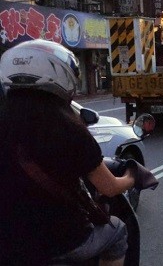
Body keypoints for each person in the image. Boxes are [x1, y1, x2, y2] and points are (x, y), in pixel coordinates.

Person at [0, 40, 136, 265]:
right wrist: (132, 177)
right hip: (64, 241)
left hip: (8, 245)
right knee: (118, 232)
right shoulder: (69, 130)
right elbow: (109, 187)